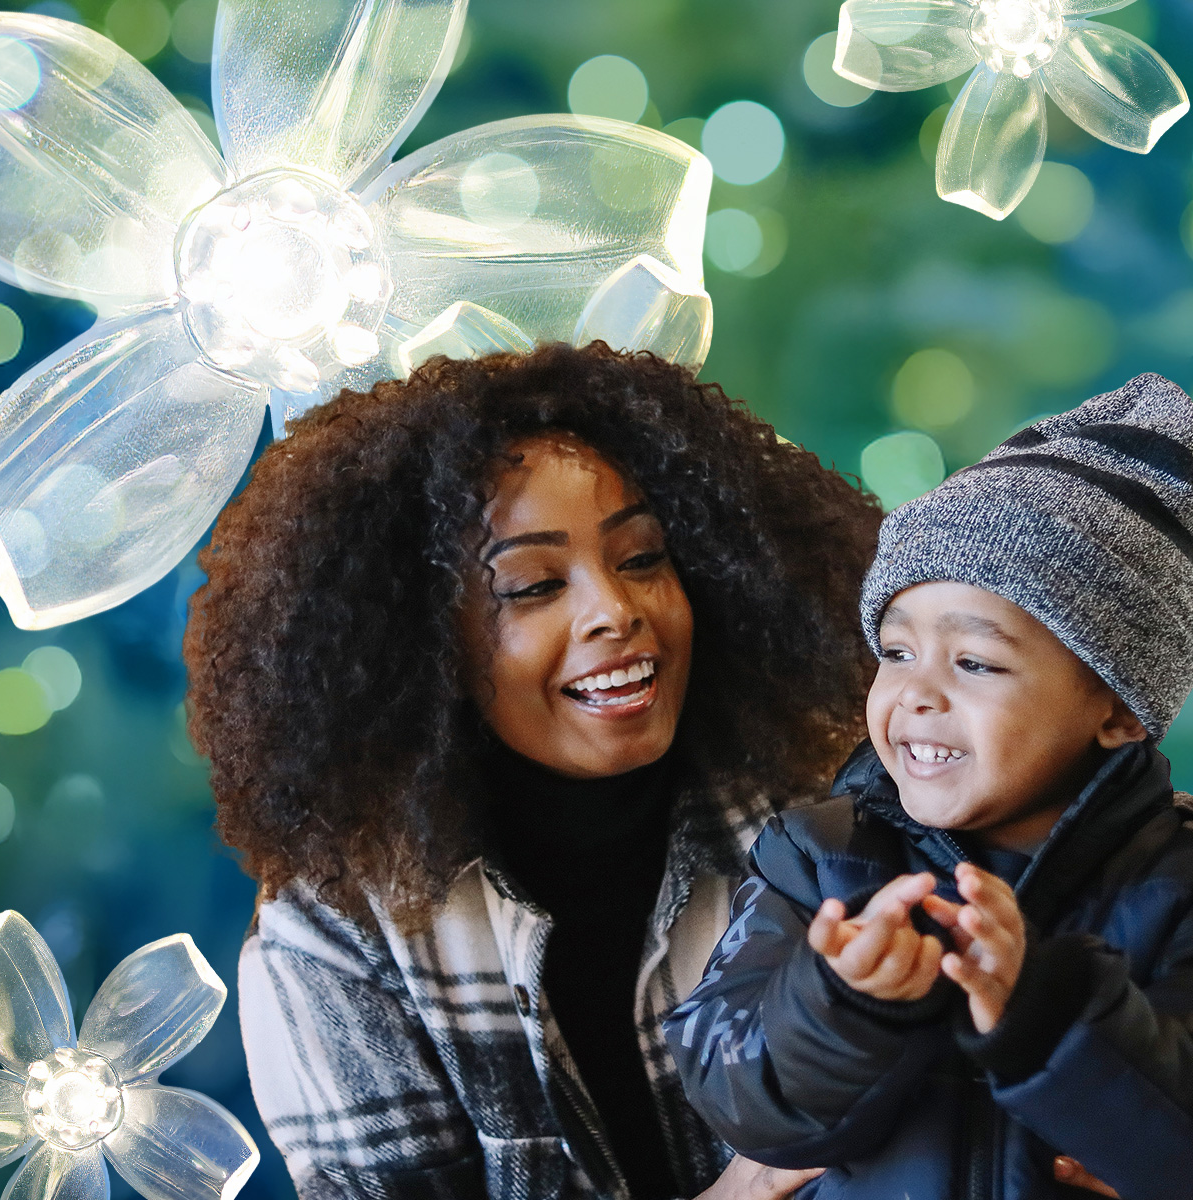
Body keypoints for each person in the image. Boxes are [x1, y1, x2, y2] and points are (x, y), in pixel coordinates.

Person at [182, 342, 884, 1200]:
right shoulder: (338, 939)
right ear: (419, 643)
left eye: (641, 559)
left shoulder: (820, 820)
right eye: (532, 586)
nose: (614, 610)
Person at [665, 372, 1193, 1200]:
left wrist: (1044, 1007)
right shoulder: (821, 860)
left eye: (974, 662)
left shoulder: (1178, 891)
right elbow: (735, 1092)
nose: (916, 693)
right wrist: (846, 1000)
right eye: (898, 652)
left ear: (1120, 711)